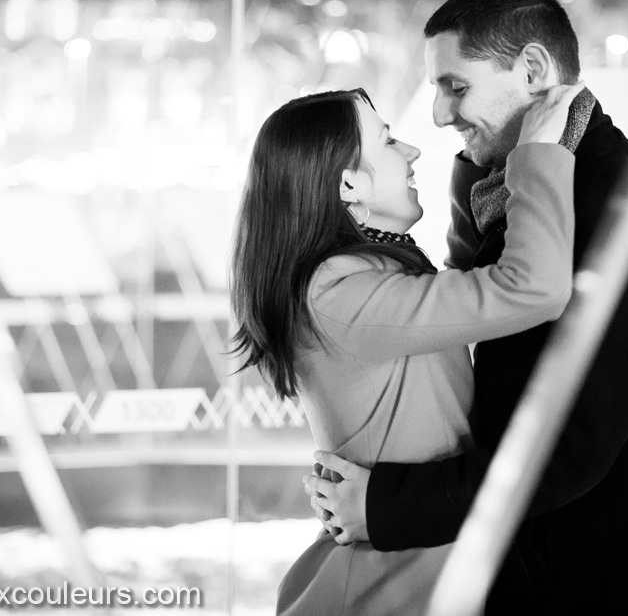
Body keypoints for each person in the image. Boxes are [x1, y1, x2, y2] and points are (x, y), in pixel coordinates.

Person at [307, 0, 628, 615]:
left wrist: (386, 507)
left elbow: (570, 450)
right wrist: (493, 161)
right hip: (549, 578)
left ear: (532, 69)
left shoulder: (617, 216)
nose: (439, 115)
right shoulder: (535, 189)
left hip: (602, 593)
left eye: (456, 86)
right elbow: (477, 287)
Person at [230, 81, 584, 616]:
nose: (413, 150)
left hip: (413, 574)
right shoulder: (339, 292)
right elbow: (530, 287)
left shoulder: (368, 274)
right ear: (349, 183)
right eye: (389, 142)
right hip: (385, 586)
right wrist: (535, 154)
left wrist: (478, 160)